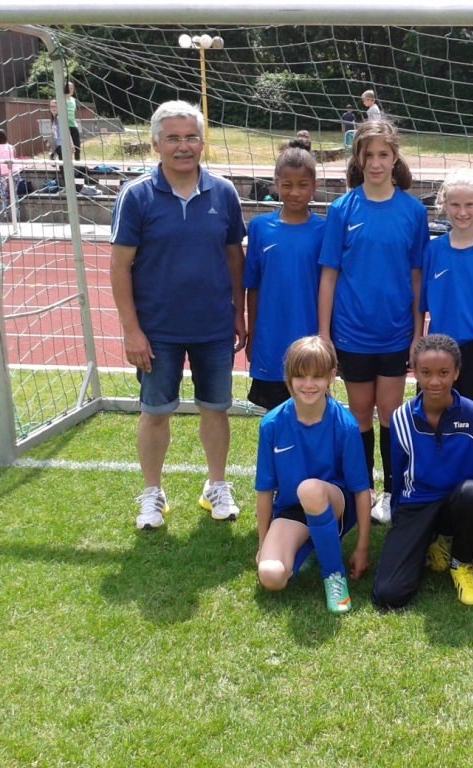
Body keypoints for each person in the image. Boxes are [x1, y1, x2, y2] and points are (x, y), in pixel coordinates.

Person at [109, 100, 246, 531]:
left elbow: (234, 257)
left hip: (213, 326)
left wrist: (239, 313)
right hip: (157, 331)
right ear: (156, 144)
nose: (183, 146)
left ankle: (216, 485)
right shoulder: (136, 195)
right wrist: (132, 331)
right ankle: (153, 492)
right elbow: (119, 267)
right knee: (155, 412)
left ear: (202, 143)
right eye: (173, 138)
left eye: (191, 137)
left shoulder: (223, 192)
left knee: (216, 409)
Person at [318, 119, 428, 526]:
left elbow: (416, 278)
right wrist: (324, 333)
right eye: (370, 155)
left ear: (395, 157)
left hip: (396, 333)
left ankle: (391, 492)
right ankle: (361, 490)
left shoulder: (413, 211)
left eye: (384, 154)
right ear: (358, 159)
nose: (377, 162)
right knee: (360, 413)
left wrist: (418, 333)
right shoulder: (342, 209)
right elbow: (329, 276)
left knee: (391, 414)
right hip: (351, 333)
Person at [371, 334, 473, 609]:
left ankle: (460, 563)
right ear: (415, 373)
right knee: (388, 595)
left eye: (443, 373)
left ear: (456, 373)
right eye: (426, 373)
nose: (434, 382)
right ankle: (433, 542)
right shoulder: (400, 418)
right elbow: (397, 477)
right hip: (416, 506)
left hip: (460, 504)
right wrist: (403, 533)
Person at [254, 336, 372, 613]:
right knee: (271, 576)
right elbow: (264, 491)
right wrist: (262, 545)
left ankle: (334, 576)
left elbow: (361, 490)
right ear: (289, 377)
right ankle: (308, 547)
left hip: (335, 506)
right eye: (300, 376)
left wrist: (362, 548)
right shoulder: (271, 424)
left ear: (331, 376)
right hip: (292, 509)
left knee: (310, 490)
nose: (308, 384)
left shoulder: (346, 425)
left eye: (317, 376)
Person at [244, 138, 324, 411]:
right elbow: (253, 286)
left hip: (310, 339)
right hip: (271, 339)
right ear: (276, 184)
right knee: (274, 416)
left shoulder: (324, 230)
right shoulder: (259, 227)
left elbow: (329, 288)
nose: (295, 192)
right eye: (287, 185)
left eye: (303, 185)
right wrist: (253, 334)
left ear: (314, 186)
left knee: (311, 411)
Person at [420, 169, 473, 407]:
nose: (462, 212)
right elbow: (421, 305)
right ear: (443, 204)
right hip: (439, 348)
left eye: (469, 204)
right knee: (435, 416)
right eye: (455, 204)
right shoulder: (432, 251)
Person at [0, 129, 16, 217]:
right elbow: (14, 159)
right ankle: (17, 213)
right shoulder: (12, 147)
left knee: (4, 194)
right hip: (15, 172)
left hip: (4, 174)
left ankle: (5, 214)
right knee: (14, 193)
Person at [64, 81, 81, 162]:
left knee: (77, 144)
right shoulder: (62, 99)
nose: (71, 90)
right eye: (69, 88)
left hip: (73, 124)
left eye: (72, 88)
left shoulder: (73, 100)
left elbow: (73, 112)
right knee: (67, 145)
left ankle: (78, 162)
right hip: (65, 125)